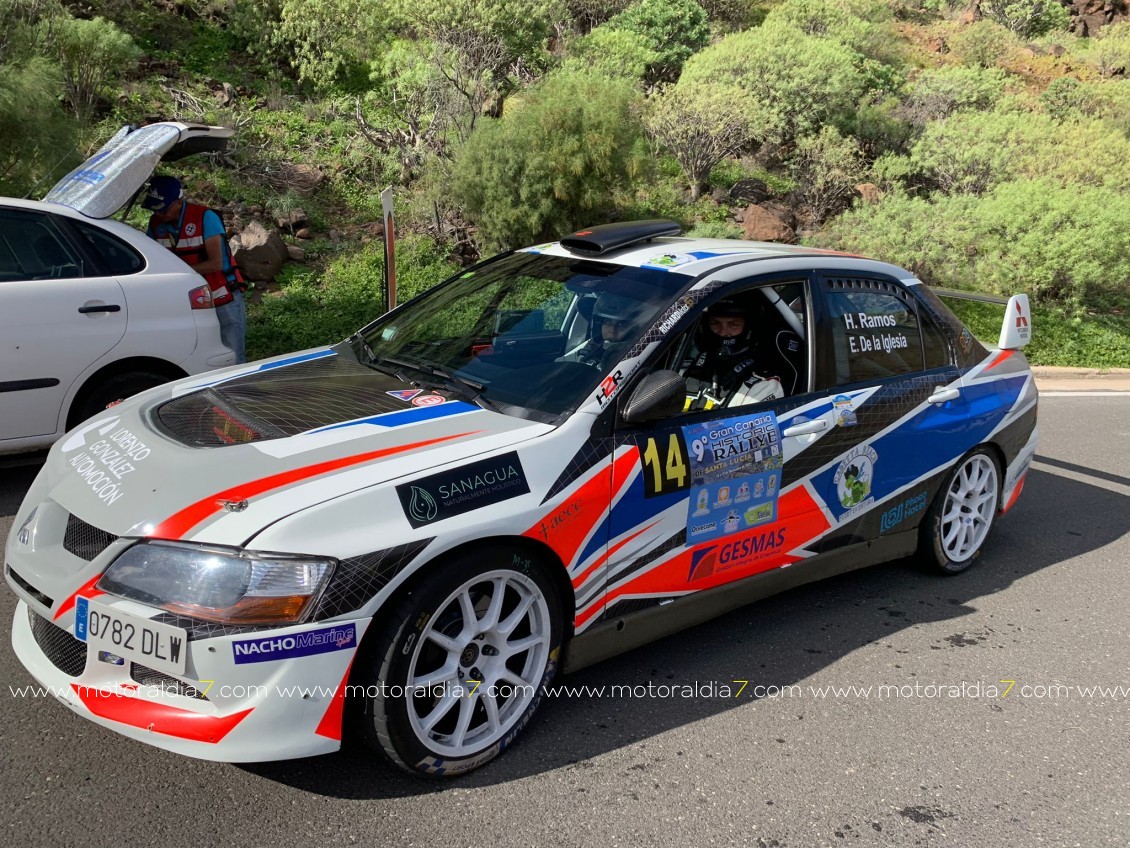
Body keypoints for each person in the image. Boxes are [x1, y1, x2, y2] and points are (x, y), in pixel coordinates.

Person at [143, 175, 248, 363]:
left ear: (177, 202)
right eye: (154, 210)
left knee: (232, 351)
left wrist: (180, 274)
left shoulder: (205, 217)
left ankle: (237, 390)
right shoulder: (156, 223)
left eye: (163, 210)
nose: (159, 215)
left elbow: (216, 263)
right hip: (185, 299)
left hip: (221, 294)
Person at [683, 299, 781, 407]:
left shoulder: (763, 384)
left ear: (748, 328)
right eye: (715, 323)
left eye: (733, 324)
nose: (723, 332)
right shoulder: (683, 364)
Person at [564, 291, 650, 371]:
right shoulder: (590, 349)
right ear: (598, 324)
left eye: (621, 325)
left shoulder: (642, 356)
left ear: (633, 329)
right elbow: (561, 364)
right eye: (607, 322)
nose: (612, 330)